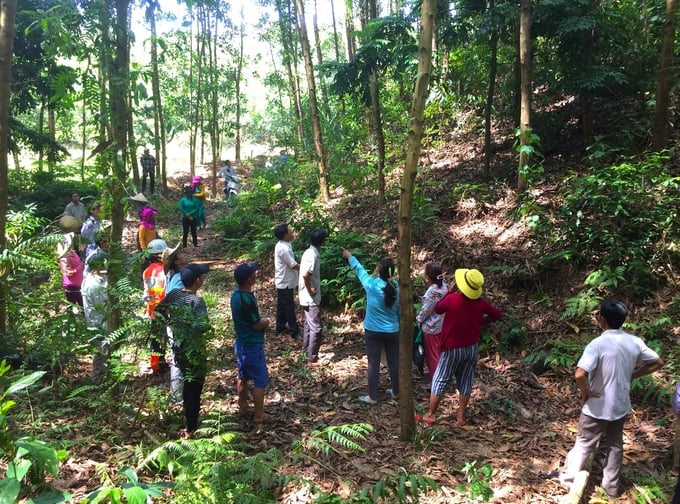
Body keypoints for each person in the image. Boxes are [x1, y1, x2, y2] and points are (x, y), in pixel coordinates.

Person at [557, 300, 663, 499]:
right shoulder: (634, 342)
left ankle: (568, 479)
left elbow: (579, 374)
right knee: (615, 445)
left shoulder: (597, 344)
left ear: (602, 320)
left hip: (596, 407)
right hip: (620, 406)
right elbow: (657, 362)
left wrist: (585, 391)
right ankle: (611, 487)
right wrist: (633, 375)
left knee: (584, 443)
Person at [415, 268, 502, 427]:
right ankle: (461, 417)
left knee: (440, 378)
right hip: (471, 348)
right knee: (466, 380)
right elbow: (497, 314)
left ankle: (431, 414)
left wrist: (451, 292)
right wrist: (479, 323)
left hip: (452, 348)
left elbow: (438, 308)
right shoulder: (481, 304)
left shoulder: (453, 299)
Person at [156, 263, 211, 438]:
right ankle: (191, 426)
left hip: (178, 346)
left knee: (188, 384)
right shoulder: (196, 301)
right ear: (197, 281)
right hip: (193, 350)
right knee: (194, 387)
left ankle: (190, 421)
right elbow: (203, 326)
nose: (203, 278)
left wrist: (170, 323)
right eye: (201, 276)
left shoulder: (173, 295)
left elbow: (158, 310)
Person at [342, 249, 399, 404]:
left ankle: (373, 397)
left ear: (379, 272)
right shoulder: (397, 287)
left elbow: (360, 270)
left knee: (373, 363)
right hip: (393, 330)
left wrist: (350, 257)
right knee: (394, 361)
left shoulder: (372, 285)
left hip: (373, 330)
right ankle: (396, 392)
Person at [231, 262, 271, 426]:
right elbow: (255, 324)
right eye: (253, 273)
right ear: (249, 279)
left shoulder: (235, 295)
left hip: (241, 343)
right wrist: (266, 321)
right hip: (252, 345)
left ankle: (242, 405)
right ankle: (259, 415)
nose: (256, 274)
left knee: (243, 375)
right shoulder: (246, 300)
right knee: (260, 380)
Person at [162, 242, 188, 403]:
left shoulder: (176, 275)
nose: (184, 254)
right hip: (178, 323)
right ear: (177, 262)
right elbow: (176, 301)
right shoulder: (177, 279)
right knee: (178, 359)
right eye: (180, 254)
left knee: (179, 357)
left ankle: (179, 395)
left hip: (175, 322)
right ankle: (177, 397)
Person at [415, 262, 448, 387]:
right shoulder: (444, 287)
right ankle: (441, 377)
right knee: (438, 352)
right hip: (442, 324)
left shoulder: (432, 292)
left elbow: (426, 310)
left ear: (428, 276)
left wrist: (418, 319)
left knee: (432, 355)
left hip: (431, 327)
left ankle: (435, 382)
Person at [298, 229, 328, 365]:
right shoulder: (313, 255)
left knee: (309, 326)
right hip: (310, 297)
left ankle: (306, 353)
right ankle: (312, 357)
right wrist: (310, 290)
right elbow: (306, 274)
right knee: (316, 327)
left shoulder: (309, 252)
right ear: (322, 241)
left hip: (306, 295)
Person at [143, 238, 169, 373]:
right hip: (165, 309)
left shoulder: (147, 271)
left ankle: (156, 364)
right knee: (166, 336)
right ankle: (160, 363)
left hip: (152, 309)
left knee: (156, 338)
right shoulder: (165, 270)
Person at [81, 254, 108, 380]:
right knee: (102, 350)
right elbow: (104, 304)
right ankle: (98, 377)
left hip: (99, 319)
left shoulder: (94, 279)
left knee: (104, 349)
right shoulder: (94, 284)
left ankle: (105, 376)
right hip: (99, 320)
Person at [273, 223, 300, 340]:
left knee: (282, 305)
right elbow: (293, 265)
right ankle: (295, 331)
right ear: (285, 235)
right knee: (289, 307)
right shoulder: (283, 248)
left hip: (284, 280)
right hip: (285, 282)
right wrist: (307, 268)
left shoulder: (283, 245)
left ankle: (280, 325)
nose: (292, 231)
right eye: (289, 231)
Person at [57, 233, 83, 307]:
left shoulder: (73, 252)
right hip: (70, 285)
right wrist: (78, 268)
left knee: (82, 305)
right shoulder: (64, 259)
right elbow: (68, 273)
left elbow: (79, 263)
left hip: (78, 283)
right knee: (71, 306)